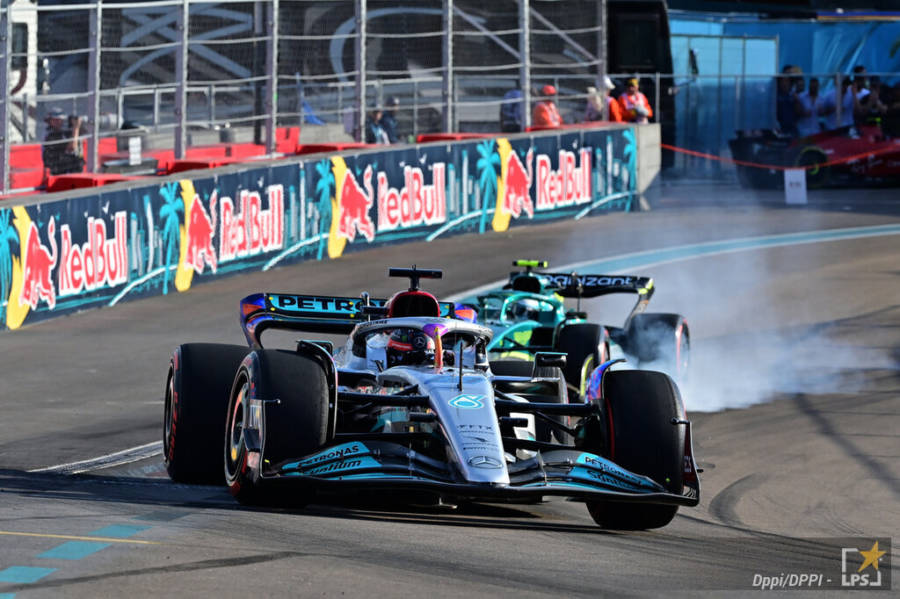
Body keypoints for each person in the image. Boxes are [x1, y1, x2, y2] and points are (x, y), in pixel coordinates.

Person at [42, 107, 85, 175]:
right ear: (50, 121)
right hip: (57, 171)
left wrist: (78, 124)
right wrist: (76, 128)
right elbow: (71, 148)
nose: (58, 122)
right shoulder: (49, 136)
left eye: (60, 120)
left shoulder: (64, 133)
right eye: (55, 120)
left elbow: (85, 134)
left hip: (70, 169)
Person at [775, 65, 802, 136]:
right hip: (779, 130)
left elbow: (799, 112)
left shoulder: (793, 95)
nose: (785, 83)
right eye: (784, 81)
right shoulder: (775, 95)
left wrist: (797, 100)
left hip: (792, 130)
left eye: (787, 81)